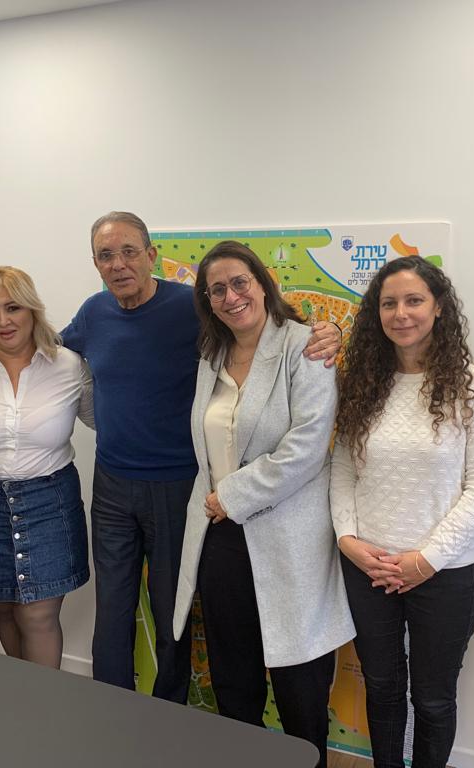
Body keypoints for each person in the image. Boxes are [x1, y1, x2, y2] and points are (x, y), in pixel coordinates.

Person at [60, 212, 342, 703]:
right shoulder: (93, 313)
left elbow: (259, 324)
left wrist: (330, 330)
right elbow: (48, 349)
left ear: (151, 256)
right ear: (95, 264)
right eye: (106, 255)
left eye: (129, 252)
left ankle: (169, 711)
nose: (118, 264)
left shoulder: (191, 306)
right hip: (111, 484)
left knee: (172, 607)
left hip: (179, 486)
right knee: (112, 607)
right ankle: (108, 709)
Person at [172, 241, 354, 767]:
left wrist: (232, 496)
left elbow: (307, 448)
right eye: (217, 290)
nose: (231, 297)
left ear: (263, 282)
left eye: (239, 283)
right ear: (208, 302)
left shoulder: (305, 346)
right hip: (221, 538)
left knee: (300, 687)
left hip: (287, 539)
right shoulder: (211, 356)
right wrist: (220, 506)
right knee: (234, 679)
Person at [330, 256, 474, 768]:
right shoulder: (364, 384)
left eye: (413, 300)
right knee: (382, 689)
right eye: (389, 303)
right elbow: (342, 469)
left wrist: (424, 560)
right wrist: (348, 541)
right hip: (368, 569)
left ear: (439, 307)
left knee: (432, 699)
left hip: (444, 573)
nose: (400, 313)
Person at [0, 267, 93, 668]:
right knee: (7, 609)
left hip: (50, 502)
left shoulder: (69, 365)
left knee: (37, 614)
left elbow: (104, 420)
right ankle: (21, 694)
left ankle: (45, 701)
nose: (3, 321)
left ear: (32, 309)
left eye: (13, 307)